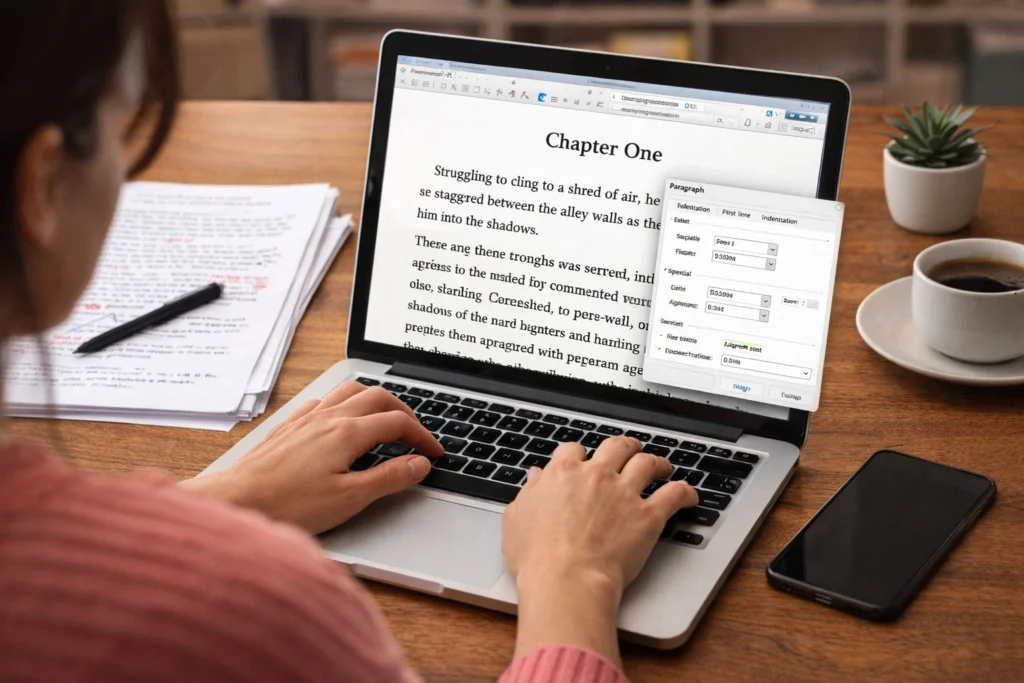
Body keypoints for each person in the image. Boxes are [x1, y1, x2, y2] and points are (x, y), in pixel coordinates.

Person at [0, 3, 700, 681]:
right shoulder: (261, 607)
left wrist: (217, 499)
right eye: (124, 126)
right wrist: (572, 577)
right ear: (41, 185)